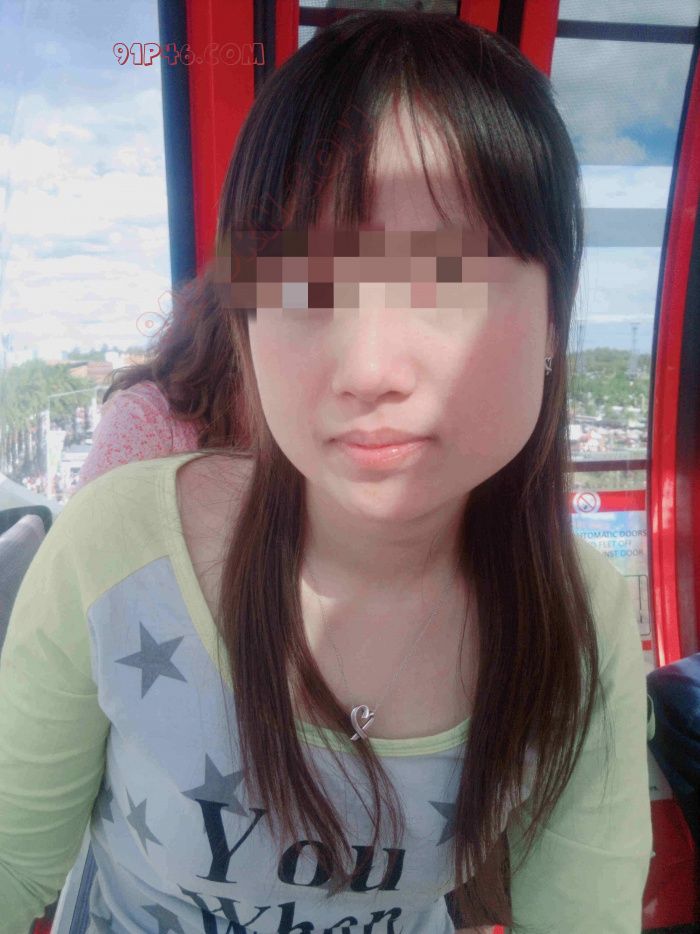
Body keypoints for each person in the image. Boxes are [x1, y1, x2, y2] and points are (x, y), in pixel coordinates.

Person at [0, 11, 652, 933]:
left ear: (554, 319)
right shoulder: (119, 553)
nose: (369, 369)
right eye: (306, 286)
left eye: (448, 279)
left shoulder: (575, 620)